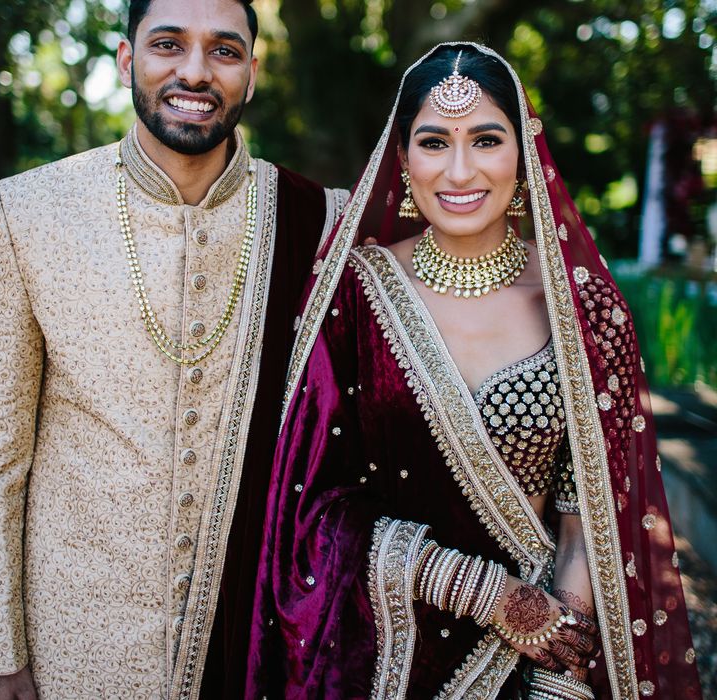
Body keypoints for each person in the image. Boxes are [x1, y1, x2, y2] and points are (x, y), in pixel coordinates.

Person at [246, 43, 702, 699]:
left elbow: (591, 525)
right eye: (434, 143)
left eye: (486, 139)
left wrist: (558, 680)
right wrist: (486, 593)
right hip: (379, 665)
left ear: (524, 153)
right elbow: (308, 510)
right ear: (403, 161)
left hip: (535, 664)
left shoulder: (587, 313)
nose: (459, 171)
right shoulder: (354, 295)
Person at [0, 0, 348, 698]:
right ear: (125, 60)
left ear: (251, 74)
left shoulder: (318, 222)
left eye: (224, 52)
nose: (195, 72)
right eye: (168, 44)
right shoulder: (30, 212)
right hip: (75, 643)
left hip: (255, 643)